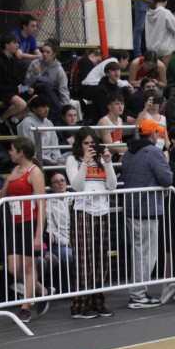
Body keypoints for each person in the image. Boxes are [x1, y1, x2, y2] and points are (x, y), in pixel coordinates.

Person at [65, 127, 118, 319]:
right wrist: (85, 164)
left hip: (102, 210)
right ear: (79, 144)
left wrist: (108, 163)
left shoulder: (101, 160)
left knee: (101, 259)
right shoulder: (73, 160)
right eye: (85, 143)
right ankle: (79, 305)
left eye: (92, 143)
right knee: (83, 259)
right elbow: (77, 186)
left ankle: (97, 301)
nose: (89, 147)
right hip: (83, 211)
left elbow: (112, 186)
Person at [121, 119, 173, 309]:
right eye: (158, 133)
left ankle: (137, 292)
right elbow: (167, 178)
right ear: (154, 134)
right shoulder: (153, 151)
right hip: (147, 208)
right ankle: (138, 295)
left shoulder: (128, 152)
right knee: (146, 254)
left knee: (138, 252)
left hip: (131, 207)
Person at [0, 137, 47, 323]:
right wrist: (9, 180)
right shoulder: (15, 171)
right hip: (15, 222)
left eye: (12, 149)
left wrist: (38, 234)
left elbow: (41, 204)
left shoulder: (35, 172)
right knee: (13, 267)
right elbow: (3, 195)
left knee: (28, 265)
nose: (10, 152)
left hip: (30, 221)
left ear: (21, 152)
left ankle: (25, 307)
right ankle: (41, 290)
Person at [0, 34, 29, 132]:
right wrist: (15, 89)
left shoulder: (13, 61)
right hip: (0, 93)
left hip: (12, 91)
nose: (18, 45)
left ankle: (12, 120)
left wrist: (27, 88)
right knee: (21, 104)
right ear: (7, 45)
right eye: (15, 43)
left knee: (36, 100)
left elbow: (17, 80)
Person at [25, 40, 69, 120]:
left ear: (54, 54)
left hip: (48, 96)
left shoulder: (59, 69)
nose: (44, 54)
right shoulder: (35, 63)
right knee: (44, 85)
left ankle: (57, 115)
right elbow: (26, 84)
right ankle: (58, 111)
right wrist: (35, 74)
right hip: (33, 91)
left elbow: (63, 89)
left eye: (48, 52)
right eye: (43, 51)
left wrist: (66, 108)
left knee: (50, 90)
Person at [145, 0, 175, 66]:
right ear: (166, 1)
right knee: (164, 71)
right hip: (165, 48)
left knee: (154, 71)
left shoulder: (148, 12)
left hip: (151, 48)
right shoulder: (165, 12)